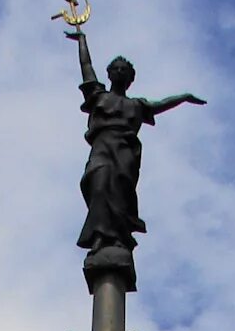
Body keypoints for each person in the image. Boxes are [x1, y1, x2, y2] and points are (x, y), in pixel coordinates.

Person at [64, 22, 205, 267]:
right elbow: (86, 68)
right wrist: (82, 41)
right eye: (115, 68)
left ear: (129, 79)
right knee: (98, 184)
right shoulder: (98, 96)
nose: (119, 71)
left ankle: (118, 238)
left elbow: (162, 103)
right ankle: (99, 236)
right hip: (102, 148)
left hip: (125, 153)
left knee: (120, 191)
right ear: (109, 74)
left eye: (123, 70)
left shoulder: (137, 105)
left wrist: (183, 97)